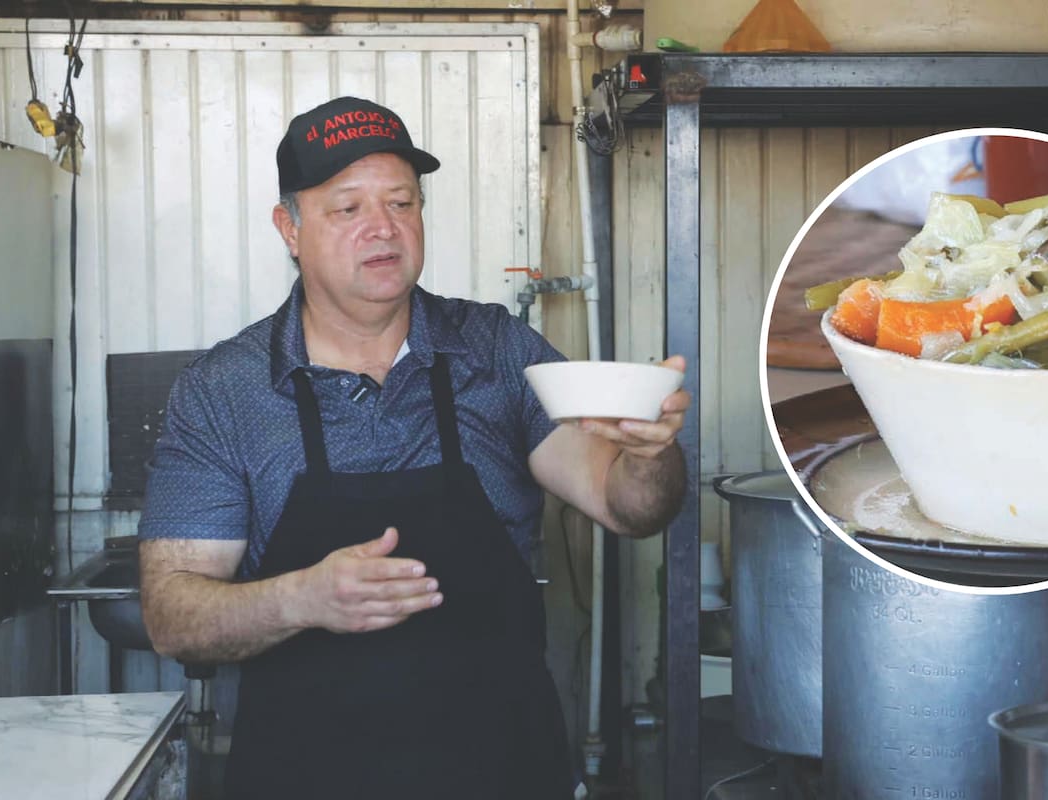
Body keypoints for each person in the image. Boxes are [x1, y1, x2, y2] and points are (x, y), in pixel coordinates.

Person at [137, 96, 689, 799]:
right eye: (348, 209)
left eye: (401, 202)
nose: (383, 229)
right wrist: (300, 600)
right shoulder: (225, 392)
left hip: (505, 774)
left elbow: (629, 507)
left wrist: (650, 454)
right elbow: (171, 615)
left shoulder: (497, 351)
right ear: (290, 228)